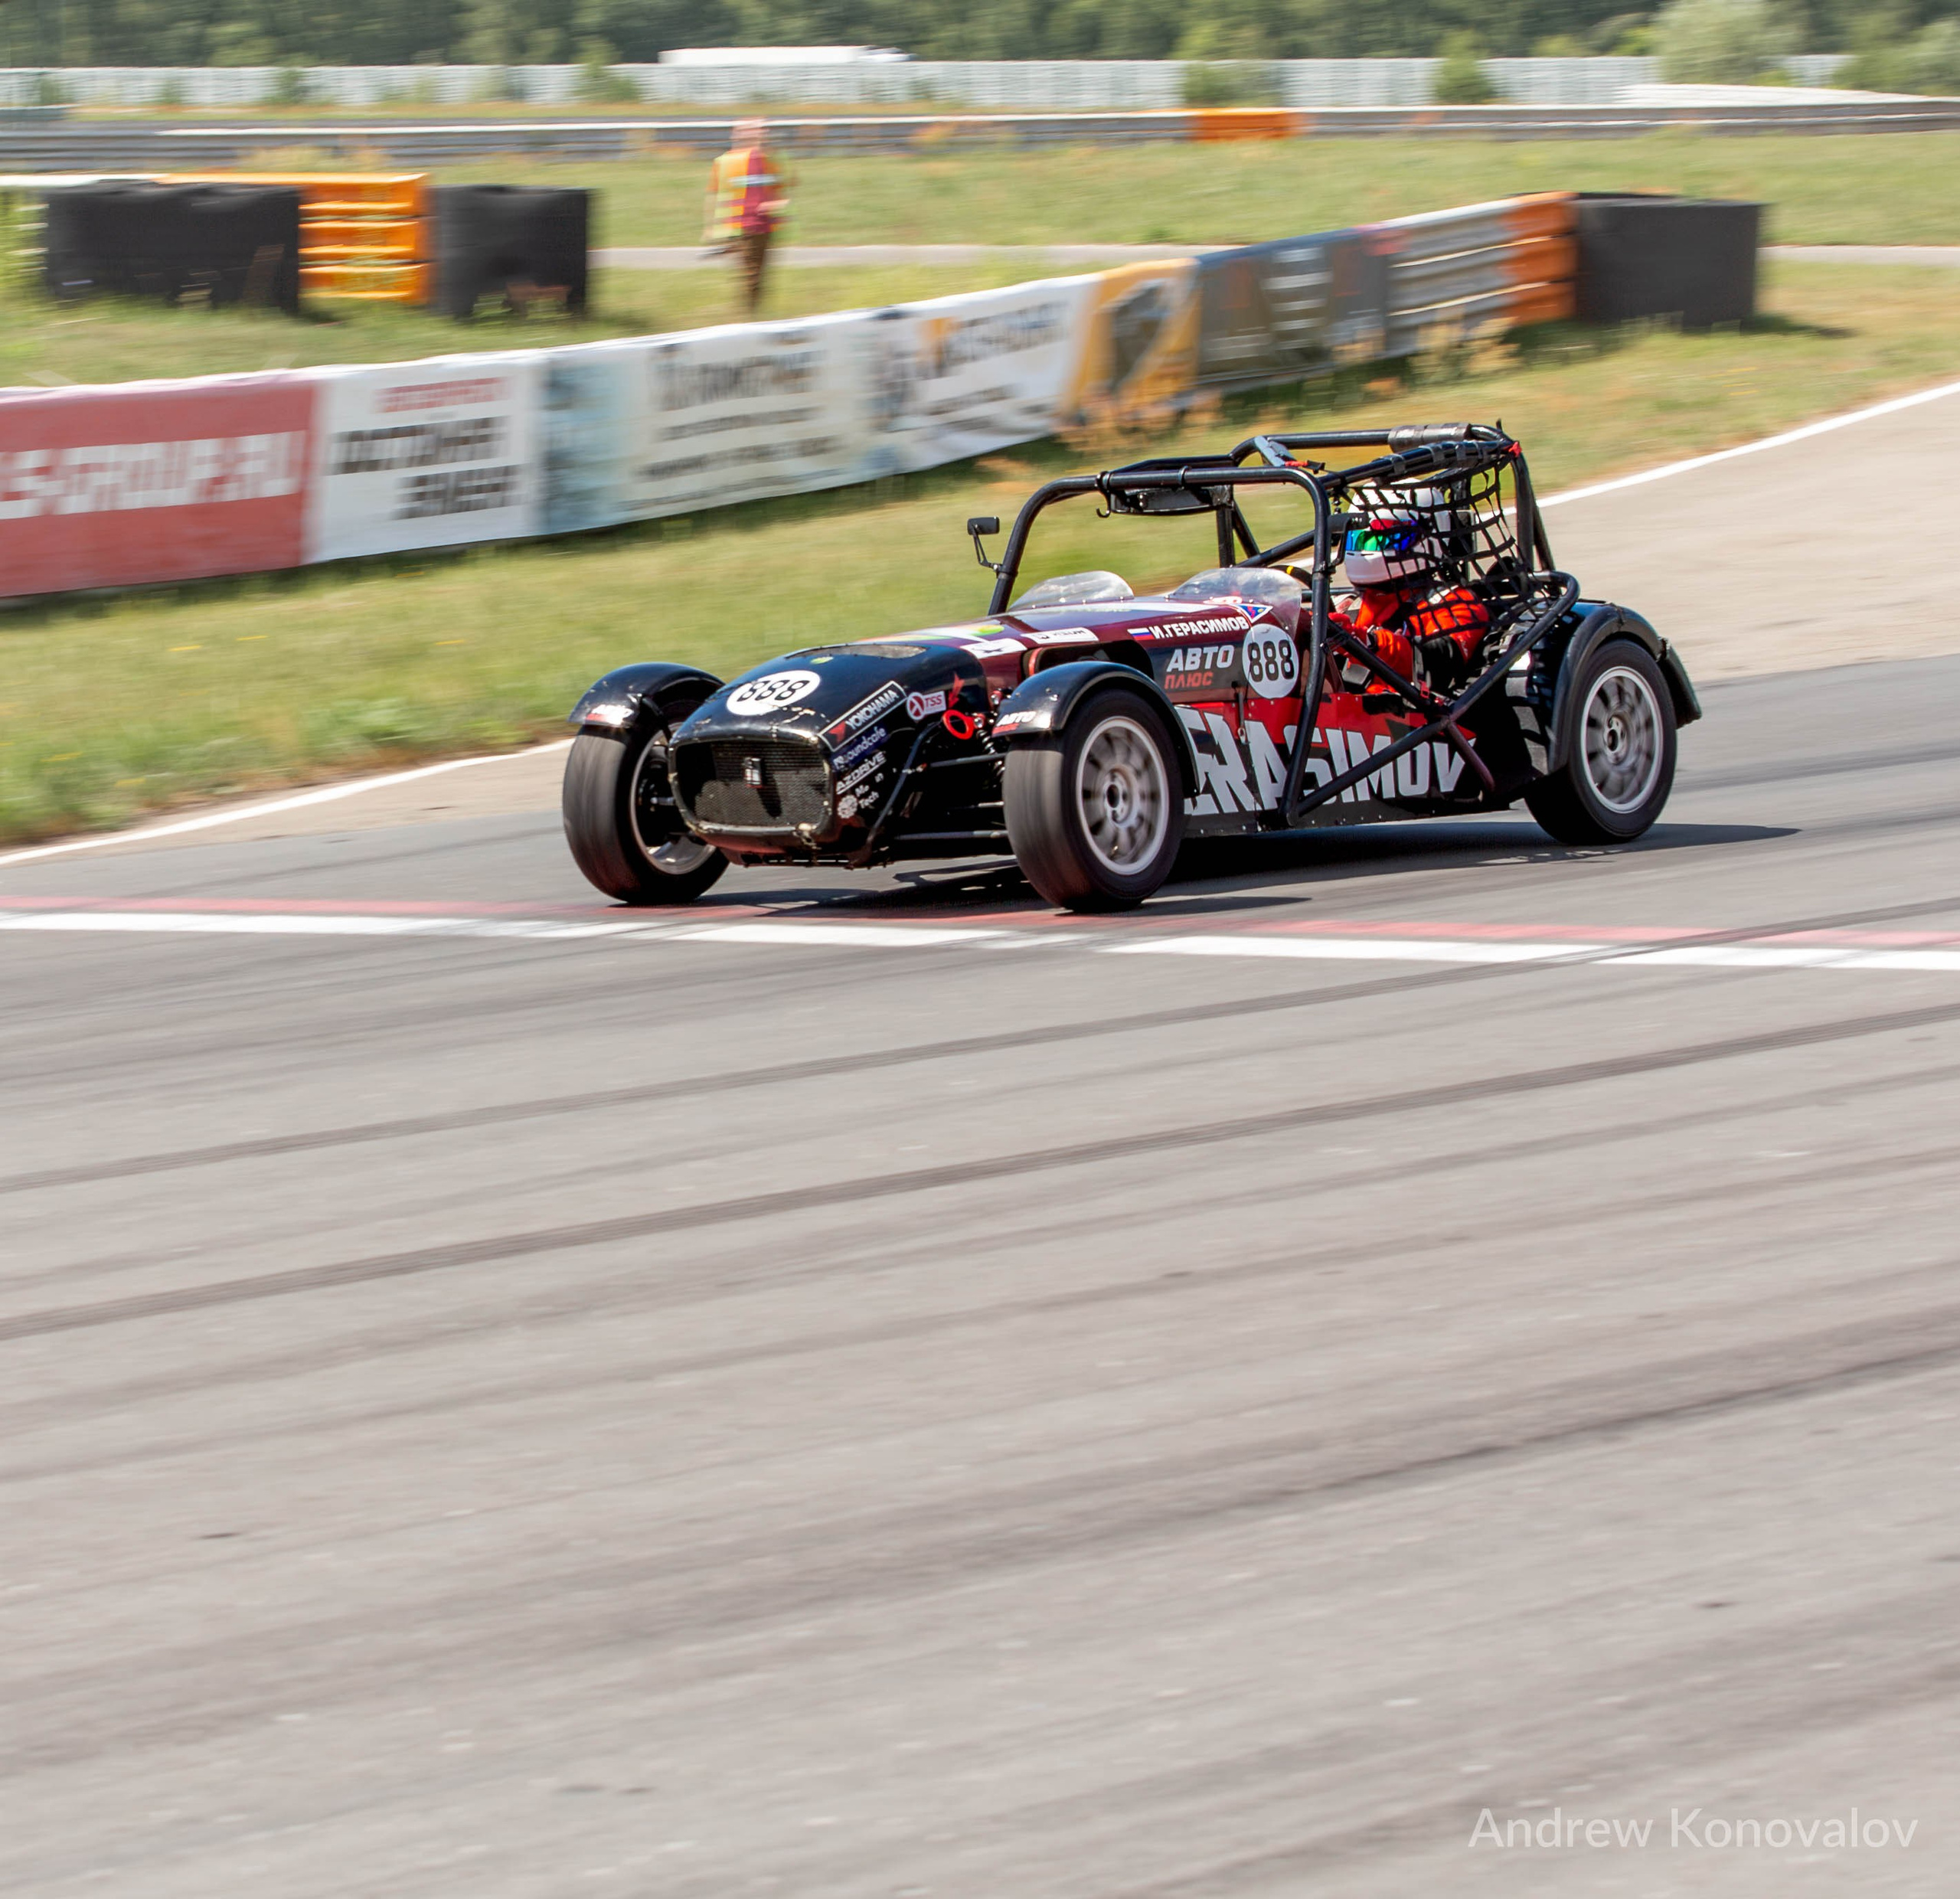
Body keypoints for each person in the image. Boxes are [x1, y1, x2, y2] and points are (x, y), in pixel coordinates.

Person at [1332, 492, 1489, 698]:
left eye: (1383, 540)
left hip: (1414, 718)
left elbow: (1438, 663)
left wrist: (1362, 640)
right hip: (1343, 714)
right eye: (1359, 540)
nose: (1366, 552)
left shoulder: (1456, 603)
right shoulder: (1347, 605)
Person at [704, 119, 790, 316]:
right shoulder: (725, 162)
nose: (760, 134)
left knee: (756, 276)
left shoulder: (772, 160)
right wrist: (710, 226)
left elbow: (783, 189)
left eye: (761, 131)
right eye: (752, 131)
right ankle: (749, 315)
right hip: (738, 225)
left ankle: (750, 314)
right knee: (750, 276)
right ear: (738, 135)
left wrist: (780, 204)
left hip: (764, 226)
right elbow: (713, 193)